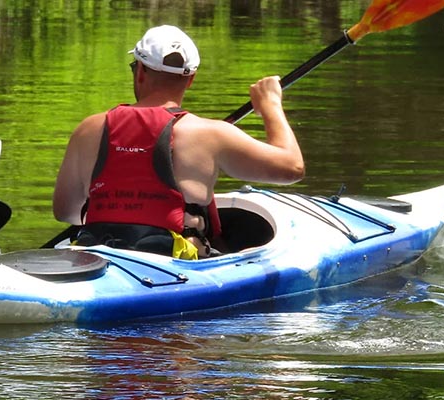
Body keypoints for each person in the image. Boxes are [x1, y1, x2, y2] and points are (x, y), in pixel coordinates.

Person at [52, 25, 304, 259]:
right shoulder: (210, 133)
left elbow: (66, 212)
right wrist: (270, 105)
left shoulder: (89, 129)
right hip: (173, 265)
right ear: (191, 79)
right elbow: (292, 168)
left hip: (99, 255)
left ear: (140, 71)